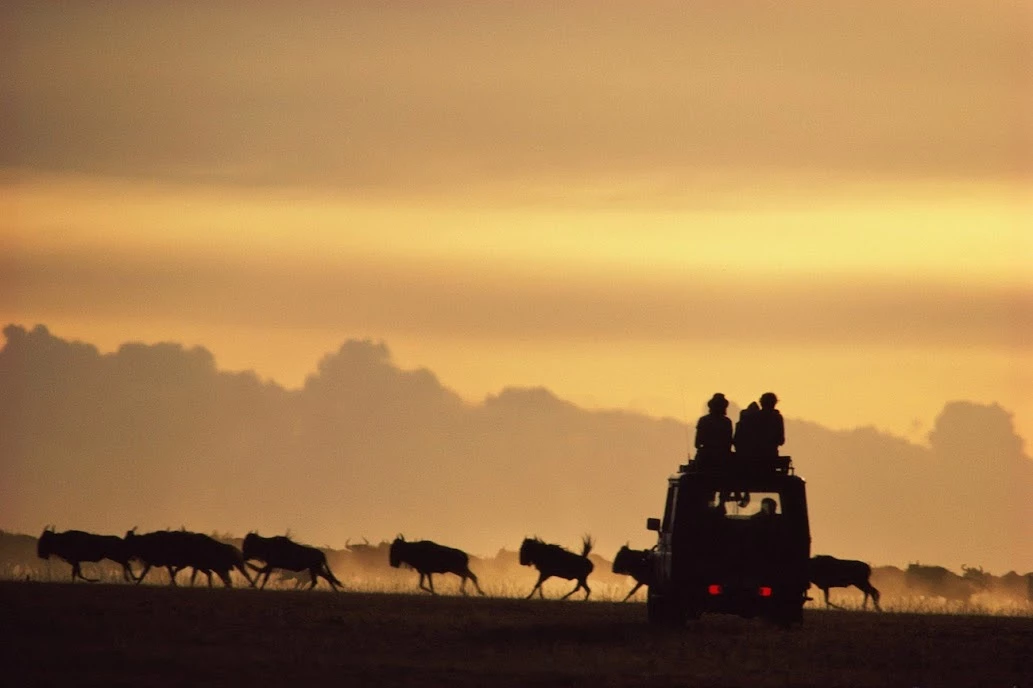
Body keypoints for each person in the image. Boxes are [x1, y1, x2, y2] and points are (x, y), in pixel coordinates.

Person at [694, 393, 733, 465]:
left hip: (705, 458)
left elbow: (697, 443)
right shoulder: (727, 422)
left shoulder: (703, 420)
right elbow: (728, 443)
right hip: (723, 459)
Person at [756, 392, 785, 459]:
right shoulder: (777, 418)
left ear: (761, 403)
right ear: (774, 403)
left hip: (754, 456)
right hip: (771, 455)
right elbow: (781, 441)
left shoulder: (753, 417)